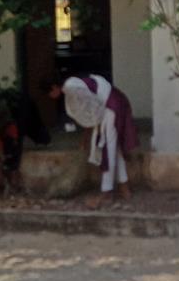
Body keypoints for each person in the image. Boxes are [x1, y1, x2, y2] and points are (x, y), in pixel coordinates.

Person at [51, 73, 137, 206]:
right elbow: (90, 110)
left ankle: (107, 192)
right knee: (114, 148)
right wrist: (87, 136)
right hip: (111, 104)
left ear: (53, 88)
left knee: (107, 149)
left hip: (109, 106)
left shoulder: (71, 87)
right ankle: (124, 187)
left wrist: (88, 135)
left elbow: (92, 107)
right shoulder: (73, 85)